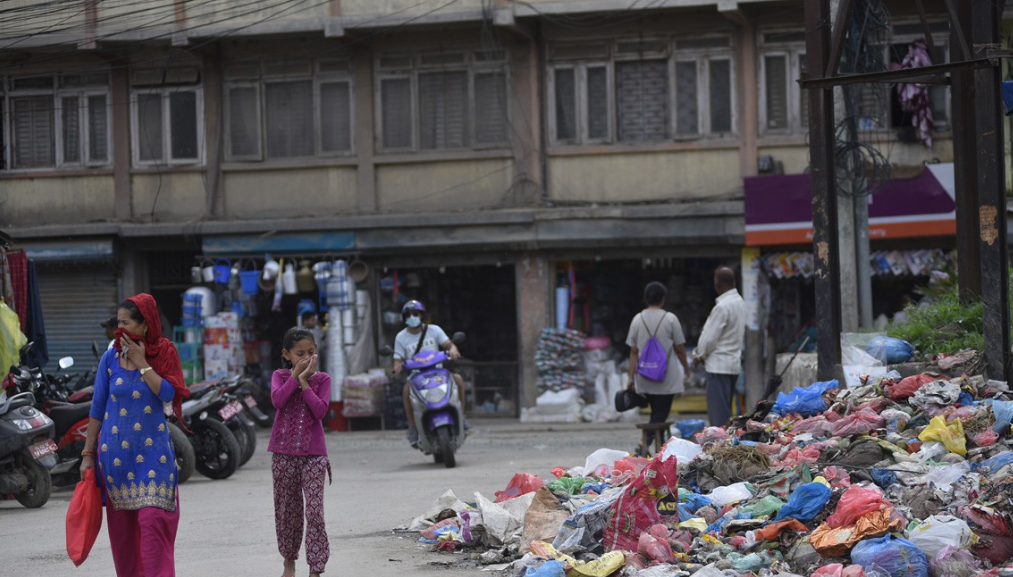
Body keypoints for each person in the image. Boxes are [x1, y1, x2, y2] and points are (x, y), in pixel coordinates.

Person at [80, 294, 190, 577]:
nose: (120, 329)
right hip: (116, 460)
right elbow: (98, 407)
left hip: (154, 457)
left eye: (126, 322)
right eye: (118, 322)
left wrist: (142, 361)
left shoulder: (163, 352)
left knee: (154, 522)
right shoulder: (110, 358)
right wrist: (88, 455)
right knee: (124, 538)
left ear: (144, 325)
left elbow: (167, 393)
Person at [270, 327, 331, 577]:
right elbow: (277, 401)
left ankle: (316, 568)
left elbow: (320, 412)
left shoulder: (323, 379)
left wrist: (305, 383)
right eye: (299, 353)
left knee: (314, 510)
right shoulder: (279, 376)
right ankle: (289, 561)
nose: (305, 358)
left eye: (310, 352)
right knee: (288, 511)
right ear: (287, 354)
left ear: (316, 350)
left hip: (314, 455)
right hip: (283, 454)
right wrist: (295, 377)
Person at [626, 282, 691, 455]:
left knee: (657, 412)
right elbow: (679, 349)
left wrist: (630, 377)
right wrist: (686, 368)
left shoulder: (637, 319)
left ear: (645, 298)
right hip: (666, 376)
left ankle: (660, 447)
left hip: (645, 375)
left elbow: (633, 352)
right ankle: (644, 444)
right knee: (661, 413)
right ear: (663, 299)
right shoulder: (671, 319)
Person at [391, 300, 464, 446]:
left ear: (421, 315)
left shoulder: (434, 330)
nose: (412, 317)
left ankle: (462, 417)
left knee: (458, 380)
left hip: (439, 371)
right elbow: (397, 359)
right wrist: (397, 367)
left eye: (415, 314)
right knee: (406, 390)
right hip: (416, 376)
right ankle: (413, 427)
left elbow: (449, 344)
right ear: (404, 318)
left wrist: (454, 350)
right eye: (408, 315)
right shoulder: (400, 337)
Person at [692, 267, 747, 427]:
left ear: (717, 284)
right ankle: (725, 445)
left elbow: (708, 339)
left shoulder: (722, 307)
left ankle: (720, 448)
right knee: (725, 413)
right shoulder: (740, 303)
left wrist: (698, 356)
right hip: (732, 364)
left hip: (718, 366)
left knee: (718, 417)